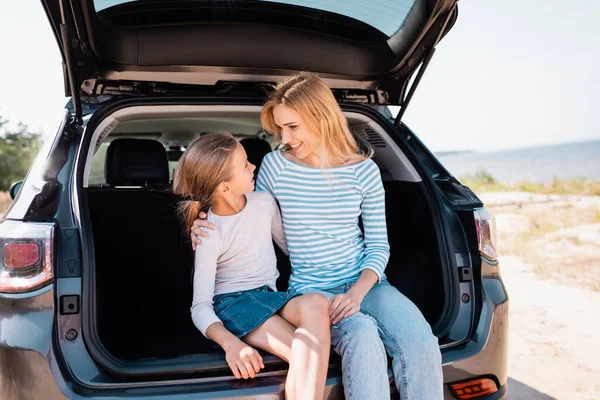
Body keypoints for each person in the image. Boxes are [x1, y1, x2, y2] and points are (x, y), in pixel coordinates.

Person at [191, 73, 444, 399]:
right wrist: (203, 219)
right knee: (363, 336)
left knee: (421, 342)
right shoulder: (274, 167)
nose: (285, 137)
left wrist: (356, 293)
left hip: (368, 284)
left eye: (293, 127)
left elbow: (379, 245)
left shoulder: (364, 171)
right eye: (281, 128)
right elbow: (246, 210)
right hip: (311, 291)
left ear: (321, 118)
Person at [173, 132, 331, 399]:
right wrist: (230, 343)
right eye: (245, 165)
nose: (253, 166)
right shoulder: (209, 232)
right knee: (305, 352)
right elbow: (200, 306)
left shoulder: (264, 203)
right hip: (233, 303)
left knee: (317, 303)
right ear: (224, 187)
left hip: (268, 295)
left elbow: (292, 249)